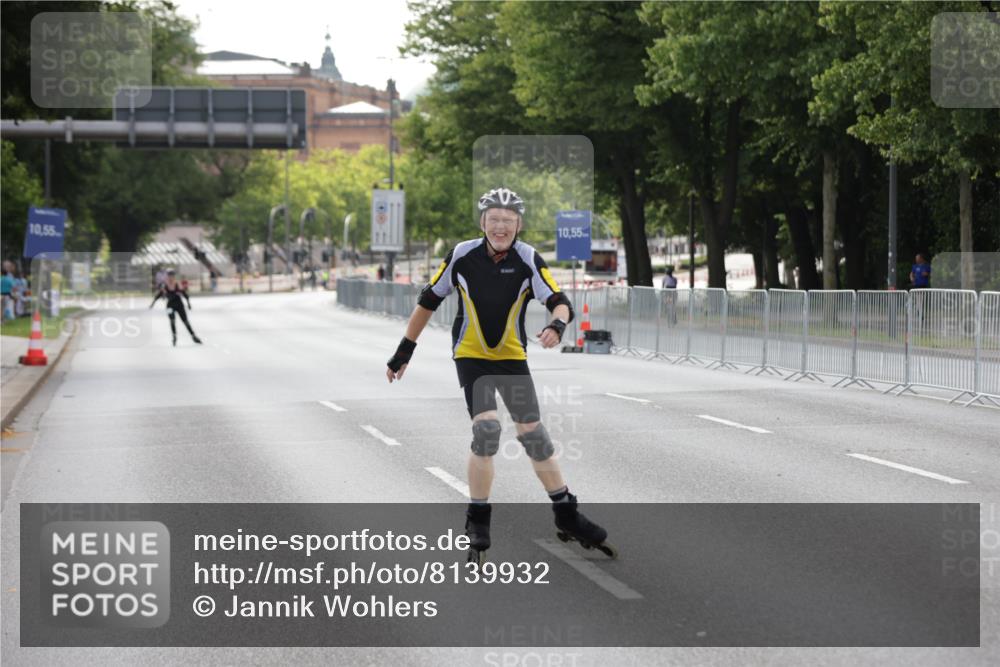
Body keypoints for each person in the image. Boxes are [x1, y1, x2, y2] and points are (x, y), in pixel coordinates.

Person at [385, 186, 616, 564]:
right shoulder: (462, 255)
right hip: (471, 356)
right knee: (487, 430)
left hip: (511, 358)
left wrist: (557, 327)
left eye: (508, 221)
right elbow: (429, 300)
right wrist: (404, 350)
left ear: (519, 225)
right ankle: (478, 518)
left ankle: (567, 514)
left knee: (534, 435)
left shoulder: (527, 258)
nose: (501, 226)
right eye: (494, 220)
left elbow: (559, 301)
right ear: (483, 223)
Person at [149, 269, 202, 346]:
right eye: (169, 276)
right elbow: (159, 295)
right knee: (172, 321)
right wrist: (152, 304)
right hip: (170, 306)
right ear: (167, 276)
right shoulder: (165, 285)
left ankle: (193, 336)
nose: (171, 277)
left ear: (174, 276)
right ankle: (174, 336)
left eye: (172, 276)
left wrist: (189, 304)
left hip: (179, 305)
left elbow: (185, 294)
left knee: (185, 321)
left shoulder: (178, 284)